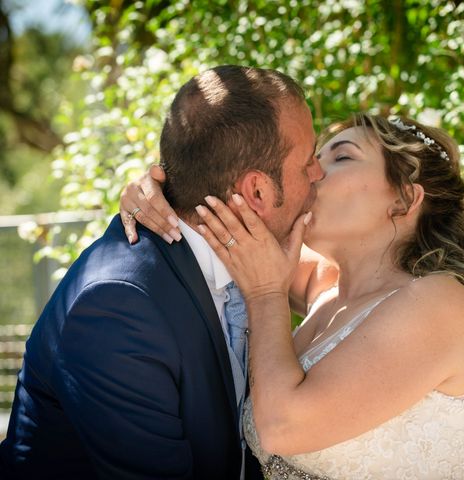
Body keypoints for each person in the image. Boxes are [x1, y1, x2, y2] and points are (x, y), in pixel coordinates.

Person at [124, 113, 464, 479]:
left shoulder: (438, 305)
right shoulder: (327, 288)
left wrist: (265, 293)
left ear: (404, 200)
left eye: (341, 156)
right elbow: (215, 222)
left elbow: (283, 427)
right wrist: (156, 189)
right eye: (313, 159)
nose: (312, 172)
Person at [0, 65, 322, 479]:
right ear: (256, 191)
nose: (320, 172)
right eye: (309, 160)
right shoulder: (120, 306)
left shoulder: (258, 259)